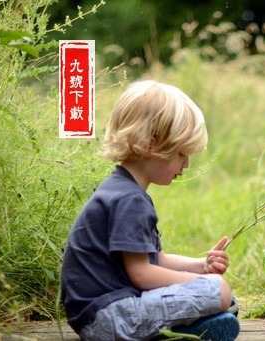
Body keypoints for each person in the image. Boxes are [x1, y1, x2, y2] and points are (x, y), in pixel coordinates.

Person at [60, 80, 240, 341]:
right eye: (181, 154)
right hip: (109, 317)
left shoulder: (121, 189)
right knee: (219, 292)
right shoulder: (130, 200)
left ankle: (188, 326)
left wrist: (201, 266)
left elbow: (157, 259)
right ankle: (181, 333)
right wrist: (204, 285)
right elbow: (142, 274)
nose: (187, 164)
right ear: (150, 145)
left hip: (98, 315)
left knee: (218, 293)